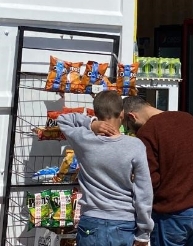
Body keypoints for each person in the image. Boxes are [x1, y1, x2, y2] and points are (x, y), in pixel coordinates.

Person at [56, 90, 154, 246]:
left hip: (91, 221)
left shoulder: (84, 140)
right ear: (122, 113)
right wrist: (144, 232)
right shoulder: (135, 146)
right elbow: (144, 191)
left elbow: (63, 119)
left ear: (96, 112)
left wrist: (91, 123)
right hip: (124, 223)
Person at [116, 96, 193, 246]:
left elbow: (149, 180)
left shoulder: (148, 131)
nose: (131, 131)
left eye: (128, 126)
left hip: (172, 212)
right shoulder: (188, 119)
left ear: (132, 116)